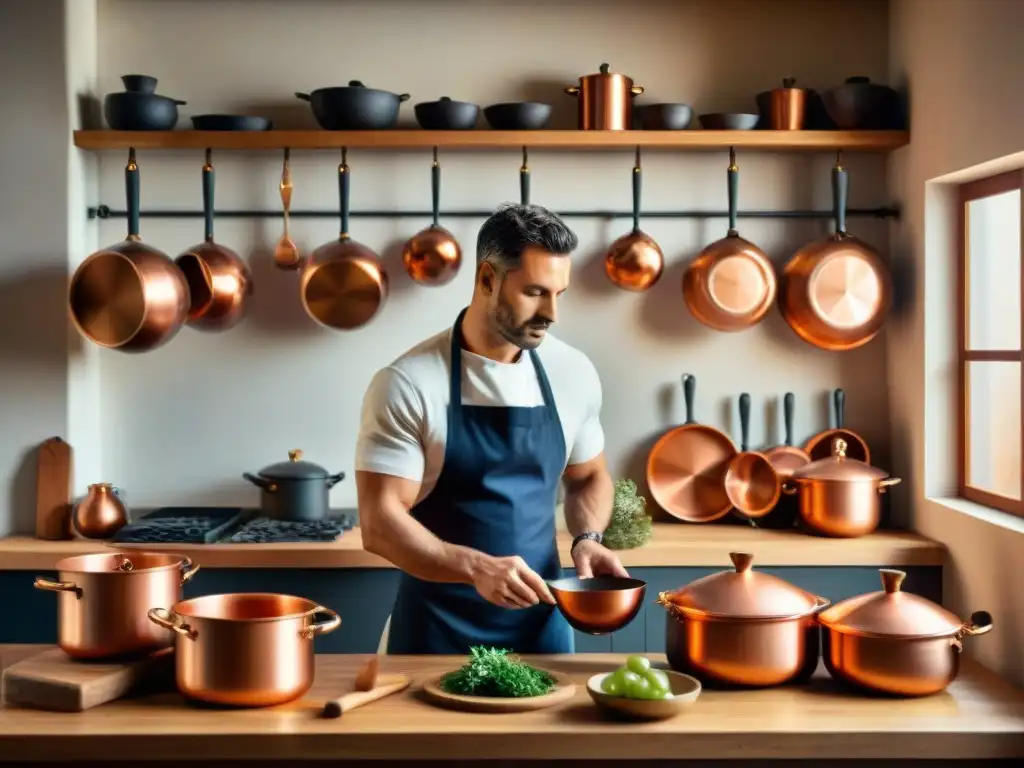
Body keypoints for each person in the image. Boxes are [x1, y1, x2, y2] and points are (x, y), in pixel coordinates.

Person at [355, 203, 628, 655]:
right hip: (435, 636)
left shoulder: (571, 373)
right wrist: (475, 567)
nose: (552, 313)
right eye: (536, 292)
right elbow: (380, 522)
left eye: (560, 292)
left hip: (542, 632)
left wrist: (588, 538)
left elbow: (589, 478)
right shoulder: (409, 383)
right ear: (486, 279)